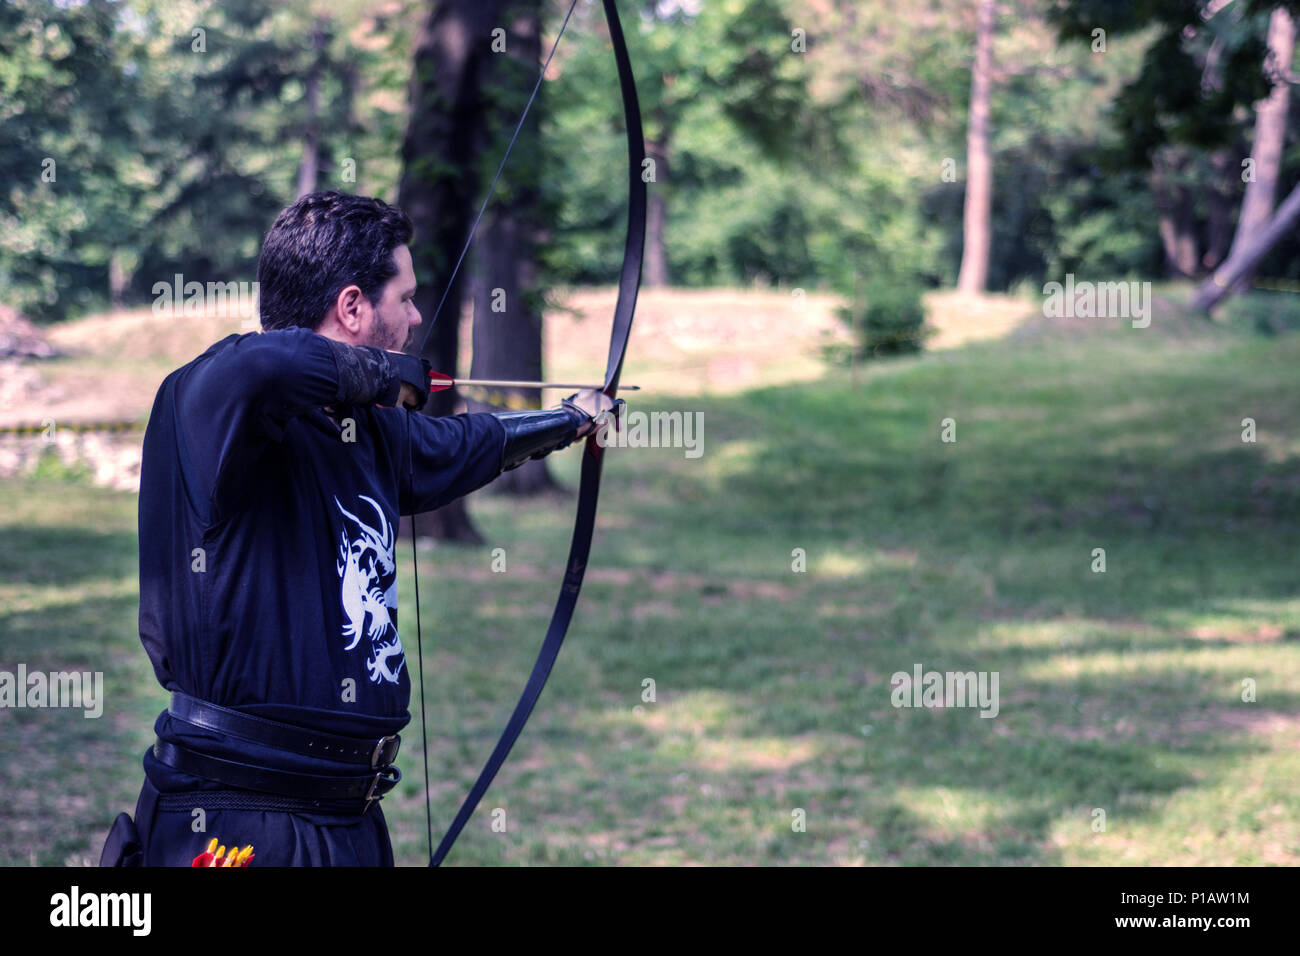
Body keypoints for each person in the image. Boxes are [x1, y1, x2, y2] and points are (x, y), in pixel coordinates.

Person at [99, 191, 613, 866]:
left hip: (348, 817)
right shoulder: (210, 400)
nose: (416, 316)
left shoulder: (367, 430)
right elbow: (267, 366)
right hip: (238, 818)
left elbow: (463, 445)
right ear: (351, 306)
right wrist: (385, 374)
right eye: (404, 297)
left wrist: (570, 420)